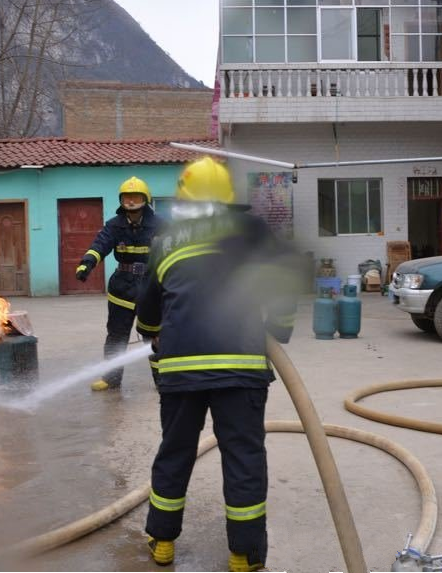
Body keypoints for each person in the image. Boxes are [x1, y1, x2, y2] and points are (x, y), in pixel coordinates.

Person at [135, 157, 298, 572]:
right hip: (241, 368)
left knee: (175, 453)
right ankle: (243, 554)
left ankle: (164, 542)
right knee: (243, 456)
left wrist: (154, 331)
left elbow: (148, 314)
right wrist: (278, 327)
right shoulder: (253, 231)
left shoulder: (166, 240)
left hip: (179, 371)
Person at [75, 176, 162, 391]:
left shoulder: (161, 225)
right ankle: (111, 379)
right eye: (127, 198)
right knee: (116, 334)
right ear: (121, 200)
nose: (131, 202)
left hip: (151, 288)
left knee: (153, 336)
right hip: (122, 288)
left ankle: (162, 380)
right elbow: (100, 244)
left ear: (146, 199)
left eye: (136, 197)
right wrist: (87, 264)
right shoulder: (114, 226)